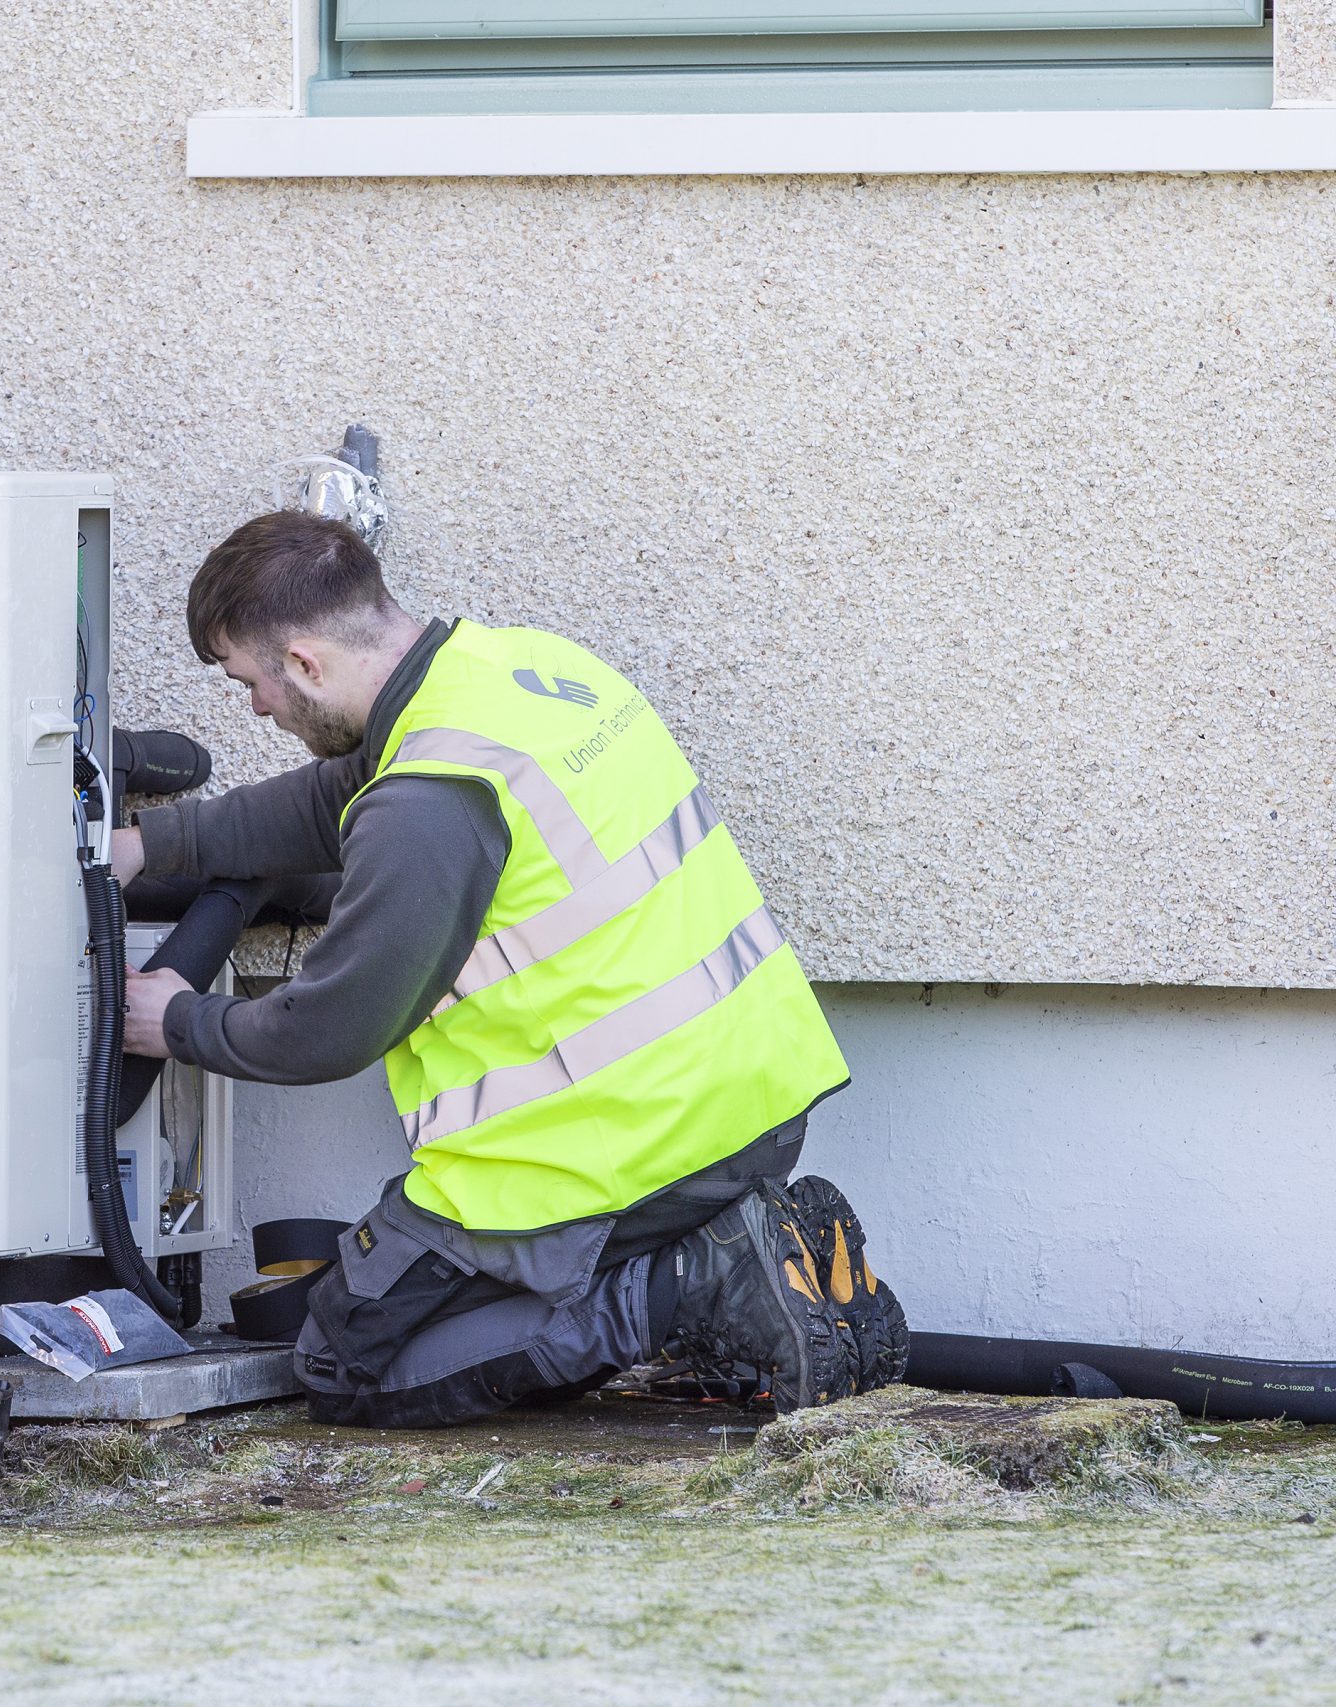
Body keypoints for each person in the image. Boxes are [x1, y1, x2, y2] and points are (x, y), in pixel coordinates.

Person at [114, 510, 908, 1425]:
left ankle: (696, 1281)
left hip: (616, 1146)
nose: (255, 709)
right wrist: (159, 842)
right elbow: (340, 796)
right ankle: (750, 1257)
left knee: (344, 1362)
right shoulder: (517, 673)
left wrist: (175, 1021)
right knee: (476, 1309)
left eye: (250, 681)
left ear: (303, 663)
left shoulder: (429, 804)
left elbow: (329, 1025)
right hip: (750, 1105)